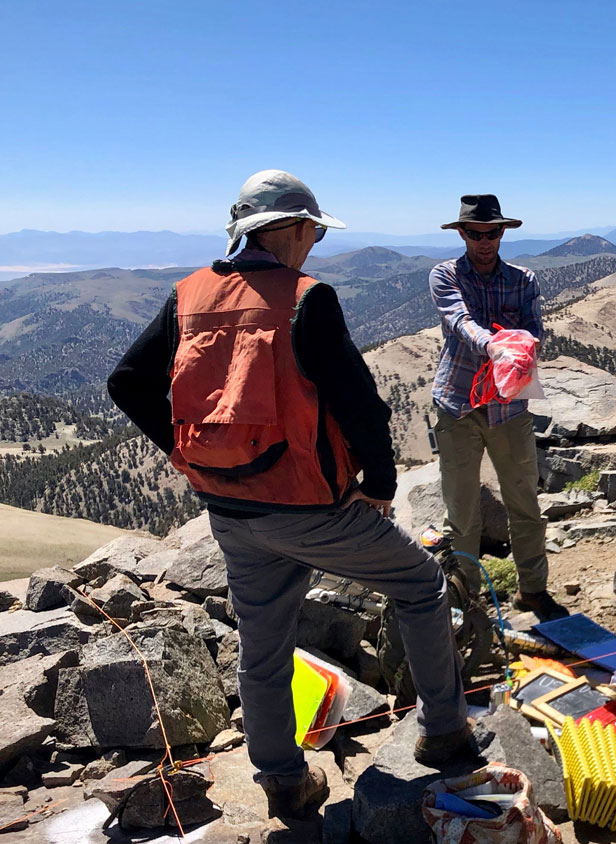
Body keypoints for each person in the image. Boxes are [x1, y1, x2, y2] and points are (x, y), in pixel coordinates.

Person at [108, 170, 475, 822]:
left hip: (228, 508)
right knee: (420, 586)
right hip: (311, 507)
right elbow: (361, 406)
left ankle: (283, 782)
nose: (315, 243)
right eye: (314, 231)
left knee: (263, 647)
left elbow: (127, 382)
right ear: (296, 229)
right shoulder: (306, 298)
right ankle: (446, 732)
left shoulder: (188, 294)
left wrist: (183, 451)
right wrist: (381, 488)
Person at [428, 194, 565, 621]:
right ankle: (466, 601)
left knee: (524, 501)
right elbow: (457, 319)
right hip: (458, 406)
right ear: (462, 233)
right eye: (475, 233)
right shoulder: (444, 274)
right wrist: (497, 345)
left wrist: (521, 347)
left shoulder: (523, 279)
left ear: (503, 232)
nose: (484, 241)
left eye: (492, 233)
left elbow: (534, 328)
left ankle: (533, 590)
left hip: (509, 407)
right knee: (462, 512)